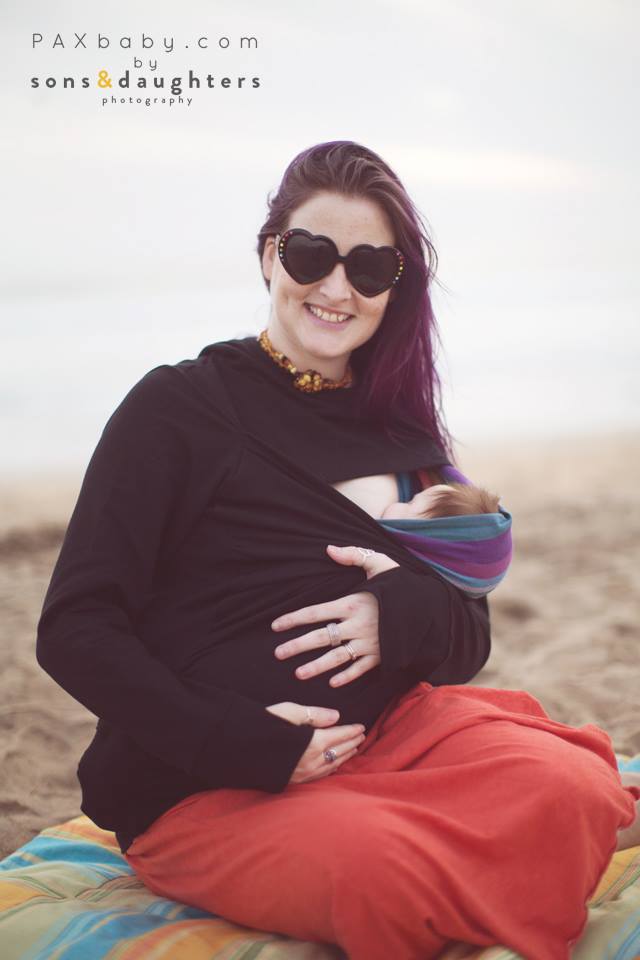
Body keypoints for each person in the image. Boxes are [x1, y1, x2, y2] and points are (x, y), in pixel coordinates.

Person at [36, 140, 640, 960]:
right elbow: (77, 627)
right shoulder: (177, 407)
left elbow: (468, 638)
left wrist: (396, 608)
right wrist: (241, 740)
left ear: (395, 286)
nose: (335, 288)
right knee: (380, 872)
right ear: (268, 256)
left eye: (369, 267)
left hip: (395, 739)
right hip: (209, 784)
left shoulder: (401, 430)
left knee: (574, 787)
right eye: (311, 254)